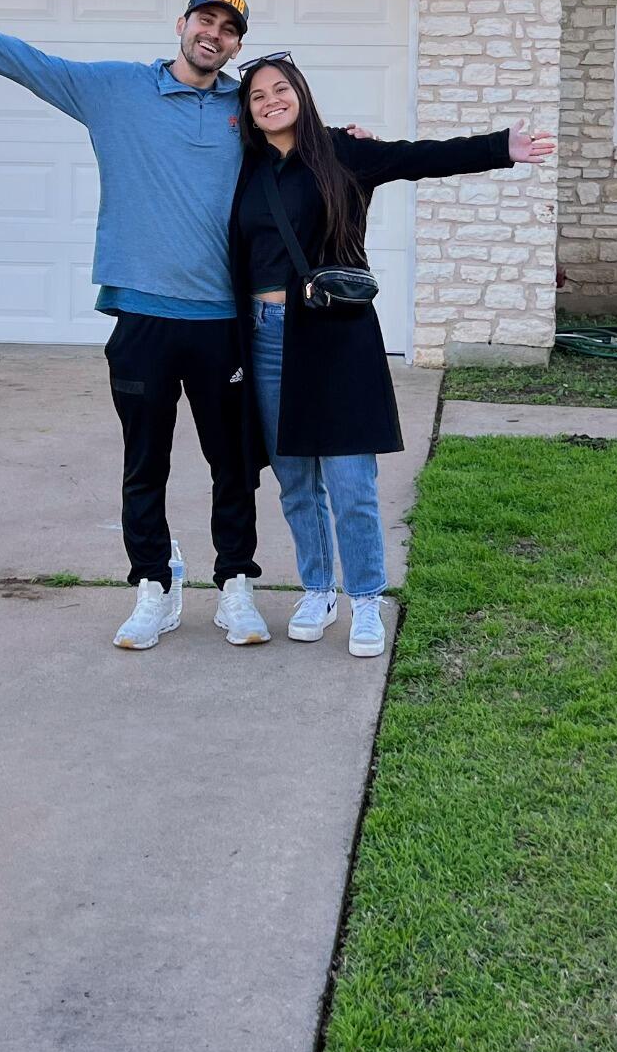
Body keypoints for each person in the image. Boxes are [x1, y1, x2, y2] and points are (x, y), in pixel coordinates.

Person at [0, 0, 270, 653]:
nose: (214, 34)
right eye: (205, 20)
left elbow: (308, 153)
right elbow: (26, 63)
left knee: (231, 464)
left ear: (236, 47)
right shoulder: (115, 89)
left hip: (222, 323)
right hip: (144, 317)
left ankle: (235, 582)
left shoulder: (249, 114)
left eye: (229, 29)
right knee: (144, 461)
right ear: (181, 25)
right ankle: (154, 583)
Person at [230, 54, 556, 658]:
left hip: (335, 334)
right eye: (256, 96)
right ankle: (318, 589)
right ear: (246, 111)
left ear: (301, 92)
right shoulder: (244, 167)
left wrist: (499, 146)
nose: (270, 100)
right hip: (267, 336)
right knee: (296, 481)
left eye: (280, 89)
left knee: (351, 481)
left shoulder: (344, 153)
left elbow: (419, 158)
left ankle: (367, 599)